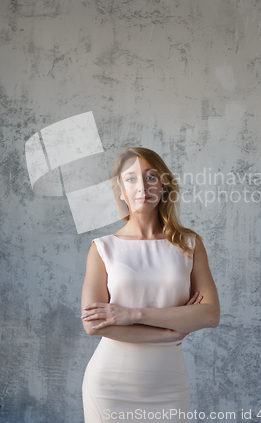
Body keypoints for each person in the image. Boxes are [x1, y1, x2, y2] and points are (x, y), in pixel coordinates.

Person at [81, 146, 220, 423]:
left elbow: (210, 314)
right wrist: (168, 332)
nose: (142, 186)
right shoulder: (102, 248)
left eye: (151, 176)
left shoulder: (189, 244)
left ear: (163, 184)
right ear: (121, 190)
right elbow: (93, 324)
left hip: (169, 385)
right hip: (110, 384)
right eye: (131, 178)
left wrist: (132, 315)